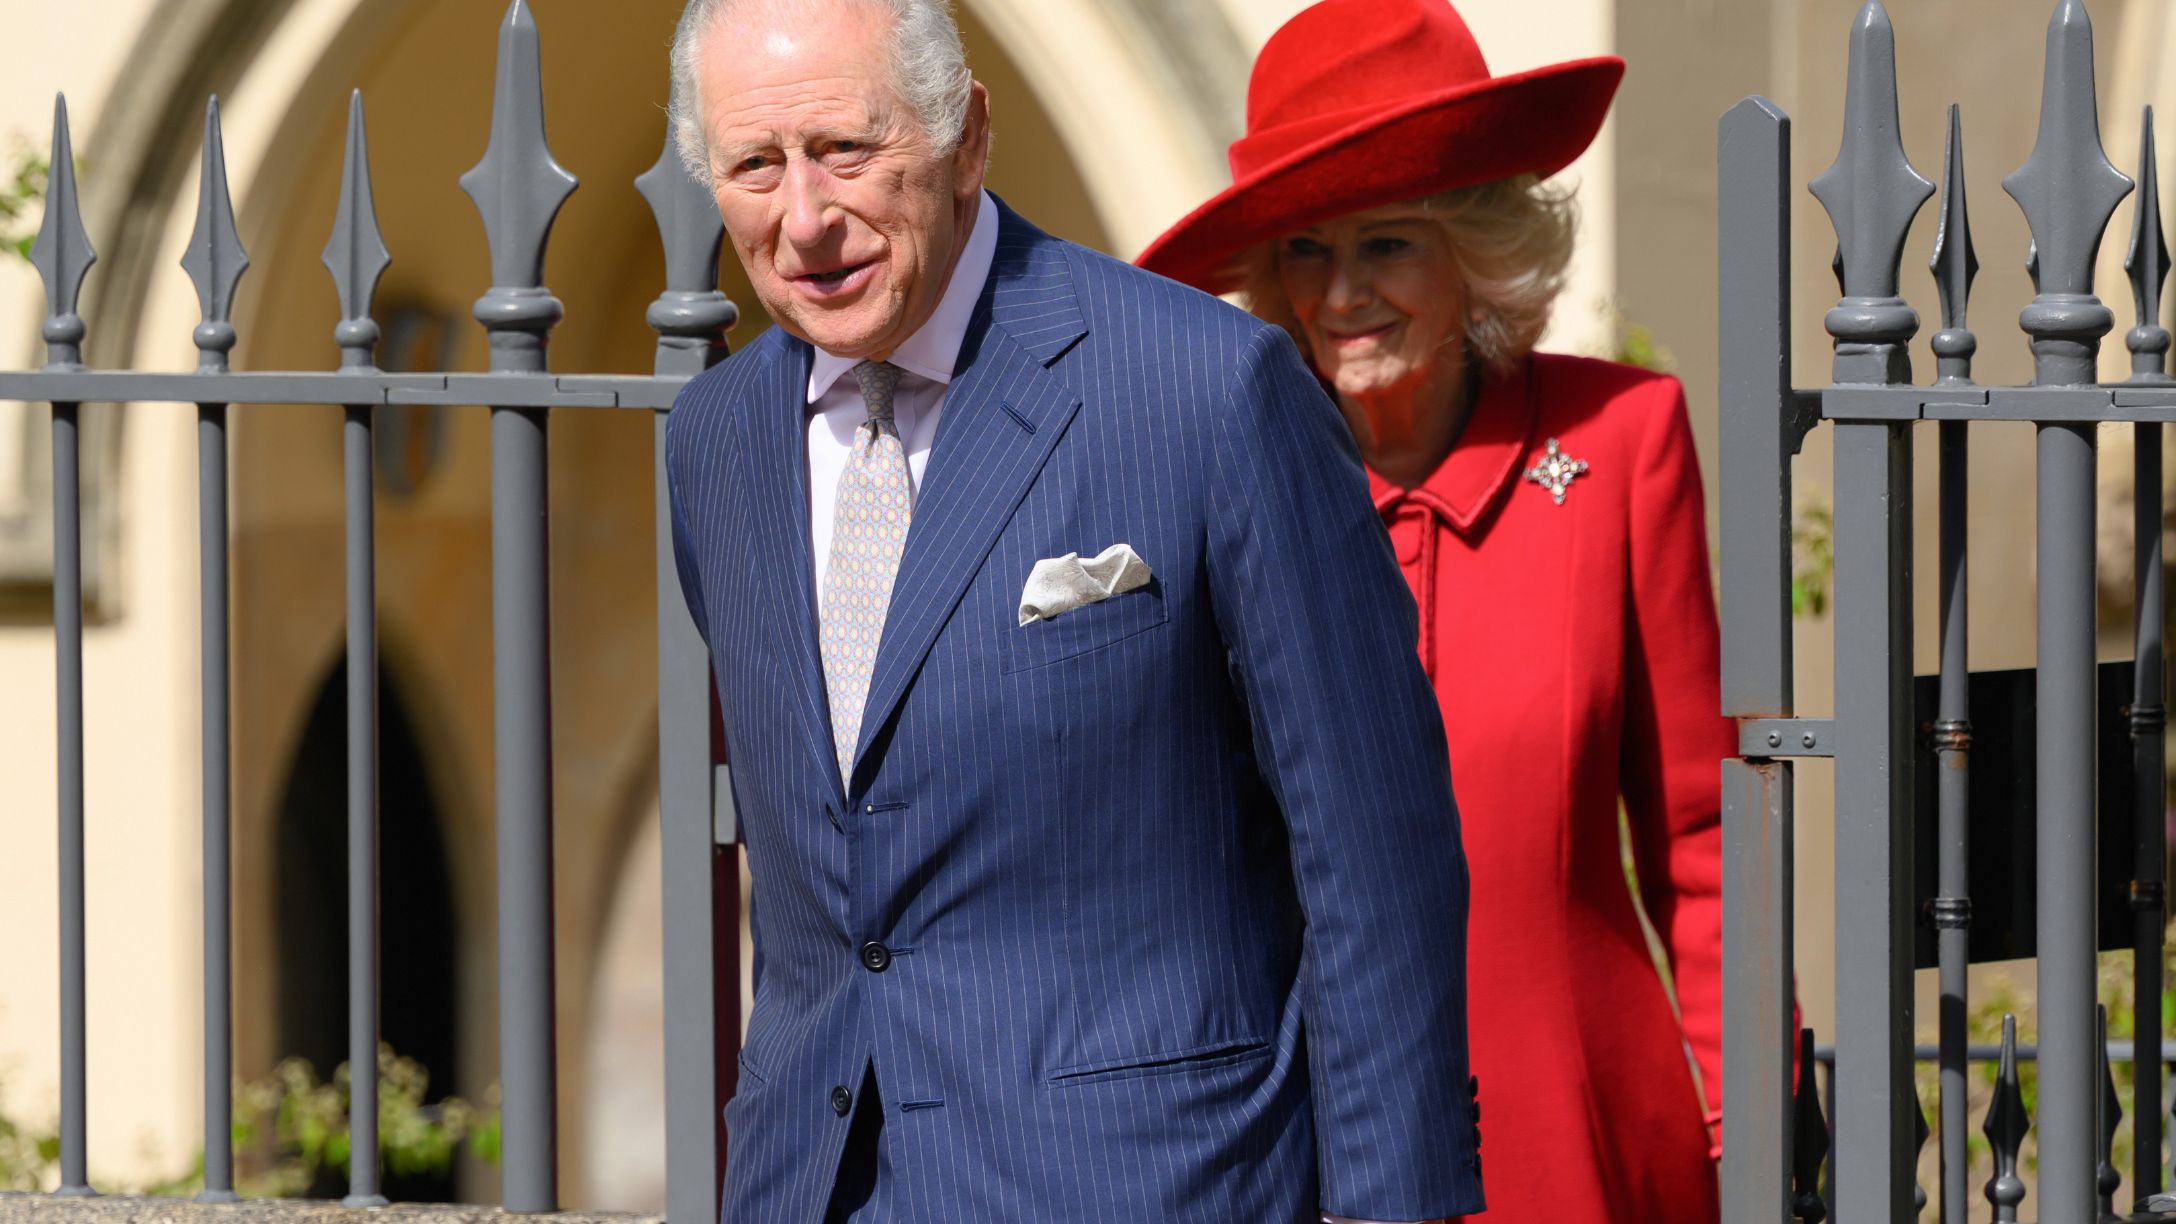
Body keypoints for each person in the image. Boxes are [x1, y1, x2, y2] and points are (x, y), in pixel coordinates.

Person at [662, 1, 1482, 1220]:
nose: (803, 219)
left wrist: (1386, 1206)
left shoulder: (1206, 392)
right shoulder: (714, 444)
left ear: (968, 139)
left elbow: (1374, 857)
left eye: (844, 149)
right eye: (753, 166)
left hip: (1155, 1185)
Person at [1137, 1, 1728, 1219]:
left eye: (1388, 243)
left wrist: (1741, 1120)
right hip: (1305, 1144)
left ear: (1477, 249)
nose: (1342, 291)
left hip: (1584, 1134)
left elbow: (1702, 835)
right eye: (1305, 248)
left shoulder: (1618, 445)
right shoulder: (1217, 479)